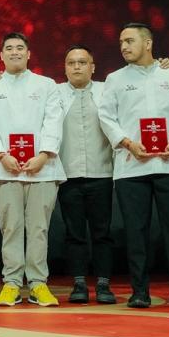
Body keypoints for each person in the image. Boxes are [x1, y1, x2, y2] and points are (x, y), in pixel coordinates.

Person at [97, 23, 169, 309]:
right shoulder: (115, 79)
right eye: (121, 42)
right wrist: (127, 142)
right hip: (132, 164)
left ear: (148, 43)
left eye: (130, 41)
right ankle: (139, 291)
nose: (124, 46)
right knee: (136, 232)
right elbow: (106, 117)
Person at [0, 33, 66, 307]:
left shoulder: (46, 85)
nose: (14, 52)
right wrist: (1, 154)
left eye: (19, 48)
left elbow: (54, 121)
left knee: (39, 228)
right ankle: (12, 283)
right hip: (5, 168)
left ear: (28, 54)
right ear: (1, 55)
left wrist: (44, 154)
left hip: (42, 168)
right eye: (9, 48)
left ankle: (38, 284)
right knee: (11, 227)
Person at [55, 46, 117, 304]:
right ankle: (79, 283)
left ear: (93, 67)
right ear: (65, 68)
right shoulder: (54, 92)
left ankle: (103, 285)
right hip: (68, 174)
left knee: (102, 233)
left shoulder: (107, 90)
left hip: (102, 172)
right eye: (71, 63)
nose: (77, 67)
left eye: (82, 62)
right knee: (74, 233)